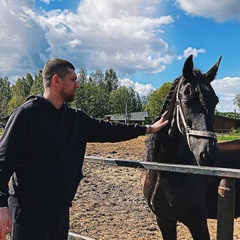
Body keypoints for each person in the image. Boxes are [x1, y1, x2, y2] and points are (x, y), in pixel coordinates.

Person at [0, 58, 168, 240]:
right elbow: (3, 162)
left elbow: (110, 130)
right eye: (73, 79)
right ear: (56, 80)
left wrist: (148, 129)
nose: (77, 85)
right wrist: (1, 206)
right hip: (28, 212)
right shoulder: (27, 114)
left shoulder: (76, 119)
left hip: (60, 210)